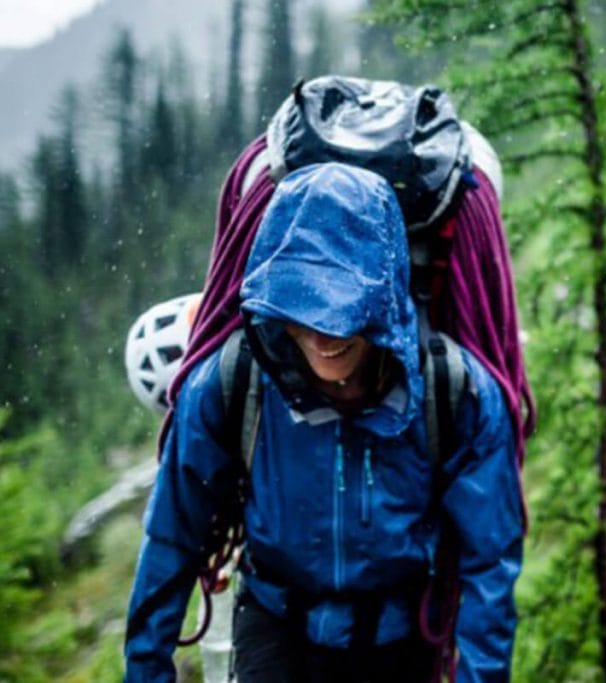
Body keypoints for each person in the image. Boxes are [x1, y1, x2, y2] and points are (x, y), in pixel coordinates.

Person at [123, 162, 525, 682]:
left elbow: (489, 565)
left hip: (400, 642)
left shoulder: (456, 392)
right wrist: (146, 673)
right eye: (302, 304)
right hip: (276, 633)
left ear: (384, 297)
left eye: (344, 309)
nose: (321, 332)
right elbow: (172, 537)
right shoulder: (231, 382)